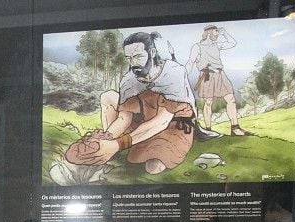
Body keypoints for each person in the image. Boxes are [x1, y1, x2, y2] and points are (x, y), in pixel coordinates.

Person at [64, 31, 200, 175]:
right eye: (129, 58)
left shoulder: (173, 72)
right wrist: (105, 139)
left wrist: (119, 144)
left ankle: (117, 147)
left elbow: (162, 122)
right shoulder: (129, 80)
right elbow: (124, 118)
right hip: (145, 118)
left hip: (175, 123)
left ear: (152, 52)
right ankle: (109, 150)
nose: (133, 63)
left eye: (138, 56)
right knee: (108, 96)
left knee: (153, 167)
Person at [186, 24, 253, 137]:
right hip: (207, 76)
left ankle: (235, 128)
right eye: (216, 32)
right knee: (208, 103)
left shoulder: (216, 45)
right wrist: (183, 76)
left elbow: (233, 43)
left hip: (220, 75)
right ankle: (208, 130)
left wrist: (224, 32)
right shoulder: (197, 47)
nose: (217, 34)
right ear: (209, 33)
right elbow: (190, 62)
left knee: (230, 99)